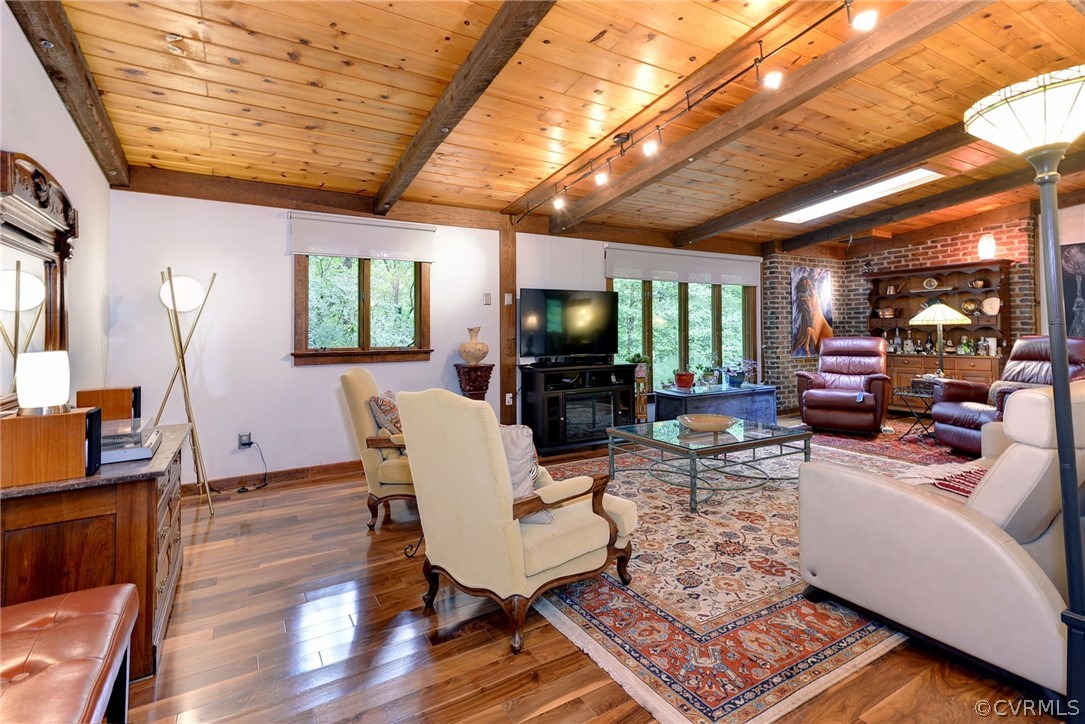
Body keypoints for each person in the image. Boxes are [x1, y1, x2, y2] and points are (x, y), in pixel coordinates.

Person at [792, 275, 834, 356]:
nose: (806, 297)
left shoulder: (829, 334)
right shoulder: (802, 336)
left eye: (809, 291)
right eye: (802, 294)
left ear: (817, 294)